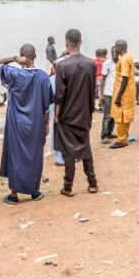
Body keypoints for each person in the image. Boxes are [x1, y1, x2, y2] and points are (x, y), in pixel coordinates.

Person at [0, 44, 53, 204]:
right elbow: (47, 104)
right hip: (36, 122)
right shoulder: (43, 76)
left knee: (16, 156)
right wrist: (47, 123)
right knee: (34, 156)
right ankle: (34, 191)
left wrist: (14, 59)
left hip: (16, 123)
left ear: (22, 56)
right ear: (35, 56)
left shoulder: (13, 74)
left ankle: (14, 195)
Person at [54, 29, 98, 196]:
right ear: (81, 42)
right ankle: (92, 183)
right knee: (85, 147)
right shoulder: (91, 64)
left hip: (67, 114)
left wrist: (57, 115)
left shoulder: (63, 65)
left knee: (68, 151)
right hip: (85, 112)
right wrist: (91, 111)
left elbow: (59, 95)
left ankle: (68, 186)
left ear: (66, 44)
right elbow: (93, 90)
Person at [110, 40, 136, 149]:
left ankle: (121, 140)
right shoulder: (128, 57)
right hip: (129, 92)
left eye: (115, 46)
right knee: (125, 116)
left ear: (120, 47)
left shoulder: (124, 60)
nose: (114, 49)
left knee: (121, 116)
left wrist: (118, 96)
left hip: (124, 93)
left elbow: (124, 78)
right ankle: (124, 137)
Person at [99, 47, 118, 144]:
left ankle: (110, 132)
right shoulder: (107, 64)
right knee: (107, 115)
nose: (114, 53)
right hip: (108, 93)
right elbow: (102, 80)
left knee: (114, 115)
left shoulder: (120, 63)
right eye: (112, 52)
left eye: (116, 52)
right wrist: (101, 95)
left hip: (117, 94)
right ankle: (104, 135)